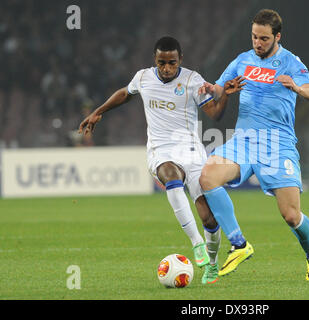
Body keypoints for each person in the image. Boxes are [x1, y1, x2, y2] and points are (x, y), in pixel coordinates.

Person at [78, 36, 245, 284]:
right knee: (170, 176)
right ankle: (196, 243)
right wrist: (98, 111)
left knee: (209, 218)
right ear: (154, 60)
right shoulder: (144, 77)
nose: (167, 68)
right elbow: (125, 93)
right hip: (161, 149)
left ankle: (211, 264)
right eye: (161, 62)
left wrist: (226, 97)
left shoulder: (192, 80)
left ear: (180, 60)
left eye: (172, 63)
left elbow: (215, 115)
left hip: (191, 151)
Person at [198, 9, 309, 281]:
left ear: (277, 36)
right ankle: (239, 244)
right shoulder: (242, 60)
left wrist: (297, 87)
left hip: (278, 144)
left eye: (264, 38)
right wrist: (216, 91)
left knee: (291, 216)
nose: (258, 43)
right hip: (243, 140)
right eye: (255, 36)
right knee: (208, 176)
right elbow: (219, 89)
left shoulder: (290, 62)